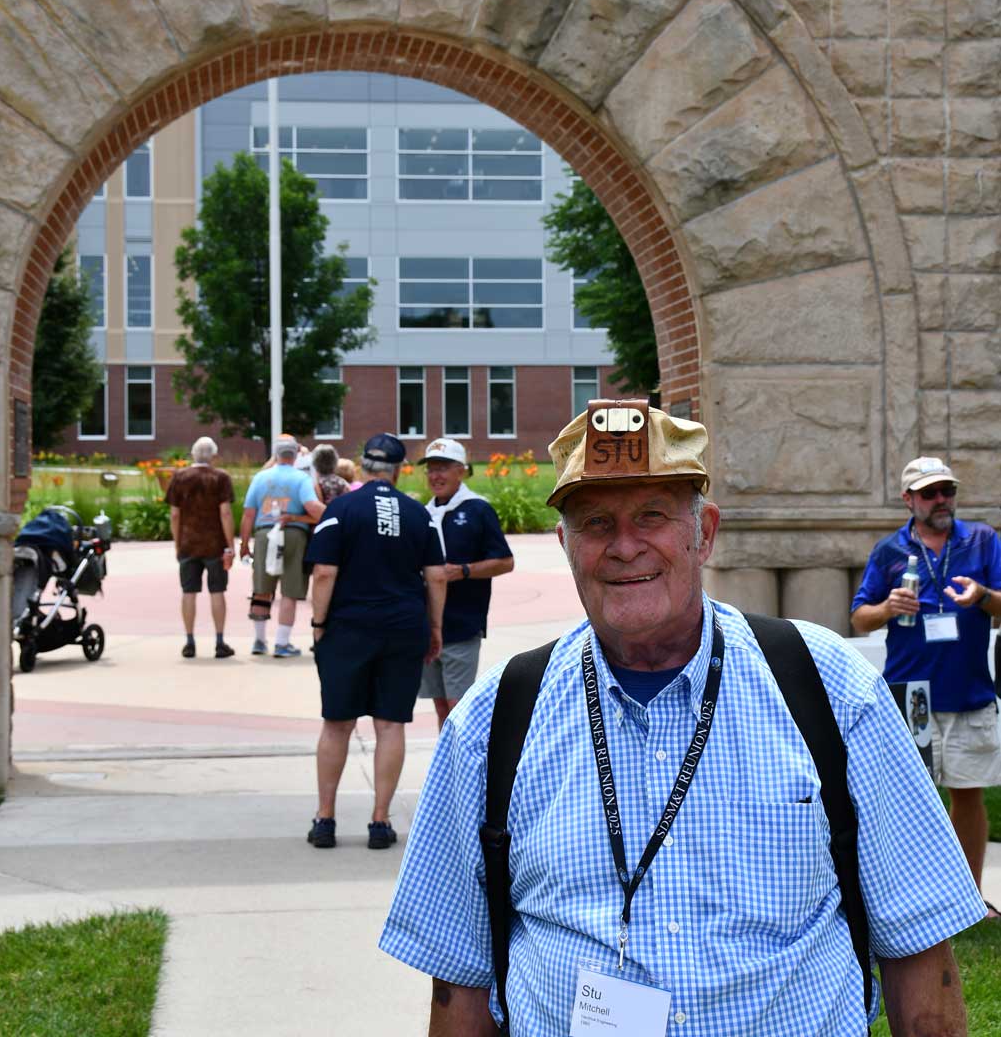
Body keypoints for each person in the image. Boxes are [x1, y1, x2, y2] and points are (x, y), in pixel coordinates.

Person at [381, 401, 986, 1036]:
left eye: (652, 516)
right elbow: (459, 984)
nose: (624, 546)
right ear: (565, 545)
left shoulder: (830, 688)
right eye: (595, 523)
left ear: (705, 534)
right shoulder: (494, 719)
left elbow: (920, 947)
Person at [852, 455, 1001, 916]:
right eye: (930, 492)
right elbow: (859, 619)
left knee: (968, 792)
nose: (941, 500)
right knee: (908, 800)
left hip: (969, 689)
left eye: (947, 491)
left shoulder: (982, 539)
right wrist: (887, 608)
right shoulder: (890, 551)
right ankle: (914, 903)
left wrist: (982, 597)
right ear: (909, 499)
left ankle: (968, 899)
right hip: (910, 691)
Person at [306, 433, 446, 851]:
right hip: (404, 627)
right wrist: (434, 626)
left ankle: (325, 818)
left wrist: (317, 623)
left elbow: (324, 573)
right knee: (390, 724)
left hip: (348, 627)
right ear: (399, 470)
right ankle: (380, 821)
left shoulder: (340, 510)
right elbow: (437, 575)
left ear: (364, 467)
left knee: (338, 723)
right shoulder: (419, 515)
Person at [416, 437, 514, 729]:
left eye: (443, 468)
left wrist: (463, 571)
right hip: (428, 624)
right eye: (431, 468)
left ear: (462, 471)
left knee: (459, 709)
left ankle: (465, 771)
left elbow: (505, 561)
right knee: (441, 708)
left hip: (462, 623)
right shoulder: (424, 513)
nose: (436, 476)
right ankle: (448, 769)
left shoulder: (478, 510)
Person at [238, 435, 324, 658]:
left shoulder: (260, 478)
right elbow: (315, 510)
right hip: (294, 536)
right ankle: (282, 643)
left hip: (265, 534)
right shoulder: (301, 479)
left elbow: (249, 514)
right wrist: (299, 518)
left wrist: (245, 543)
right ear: (295, 456)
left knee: (262, 588)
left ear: (276, 455)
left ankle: (259, 640)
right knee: (290, 590)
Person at [164, 436, 236, 660]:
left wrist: (177, 542)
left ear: (193, 454)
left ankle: (189, 640)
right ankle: (219, 640)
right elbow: (225, 512)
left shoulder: (180, 477)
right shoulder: (220, 478)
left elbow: (175, 514)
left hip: (188, 542)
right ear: (213, 455)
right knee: (217, 591)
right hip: (214, 544)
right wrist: (230, 545)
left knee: (188, 592)